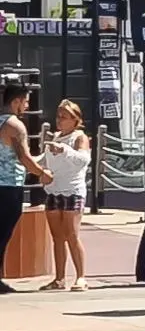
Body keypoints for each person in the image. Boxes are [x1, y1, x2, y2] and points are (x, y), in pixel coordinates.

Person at [0, 84, 53, 294]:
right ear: (16, 102)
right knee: (3, 233)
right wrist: (42, 173)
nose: (27, 105)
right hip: (9, 185)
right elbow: (24, 157)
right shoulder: (15, 126)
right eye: (26, 101)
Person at [39, 100, 91, 292]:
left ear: (75, 120)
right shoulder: (56, 137)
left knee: (72, 234)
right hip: (53, 189)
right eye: (58, 116)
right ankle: (59, 278)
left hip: (73, 190)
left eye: (64, 117)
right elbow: (44, 161)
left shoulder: (80, 137)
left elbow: (83, 161)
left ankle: (81, 277)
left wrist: (65, 151)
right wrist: (28, 163)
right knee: (57, 236)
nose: (59, 120)